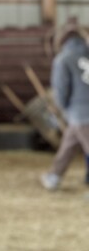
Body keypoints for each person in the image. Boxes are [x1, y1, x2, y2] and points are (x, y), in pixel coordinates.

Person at [40, 23, 89, 191]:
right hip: (80, 116)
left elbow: (60, 90)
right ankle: (54, 176)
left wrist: (62, 110)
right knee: (68, 145)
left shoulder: (63, 59)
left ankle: (54, 177)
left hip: (80, 114)